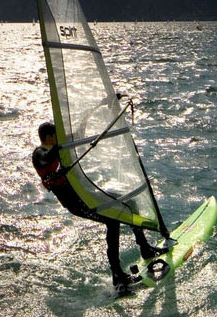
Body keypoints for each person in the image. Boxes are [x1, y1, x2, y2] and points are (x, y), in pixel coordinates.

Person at [32, 120, 167, 295]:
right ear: (49, 137)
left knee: (129, 203)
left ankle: (145, 248)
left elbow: (77, 136)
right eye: (56, 136)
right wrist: (62, 147)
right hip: (75, 203)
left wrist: (104, 106)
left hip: (86, 195)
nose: (59, 139)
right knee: (113, 220)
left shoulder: (58, 147)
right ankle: (118, 276)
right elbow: (47, 158)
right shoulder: (39, 154)